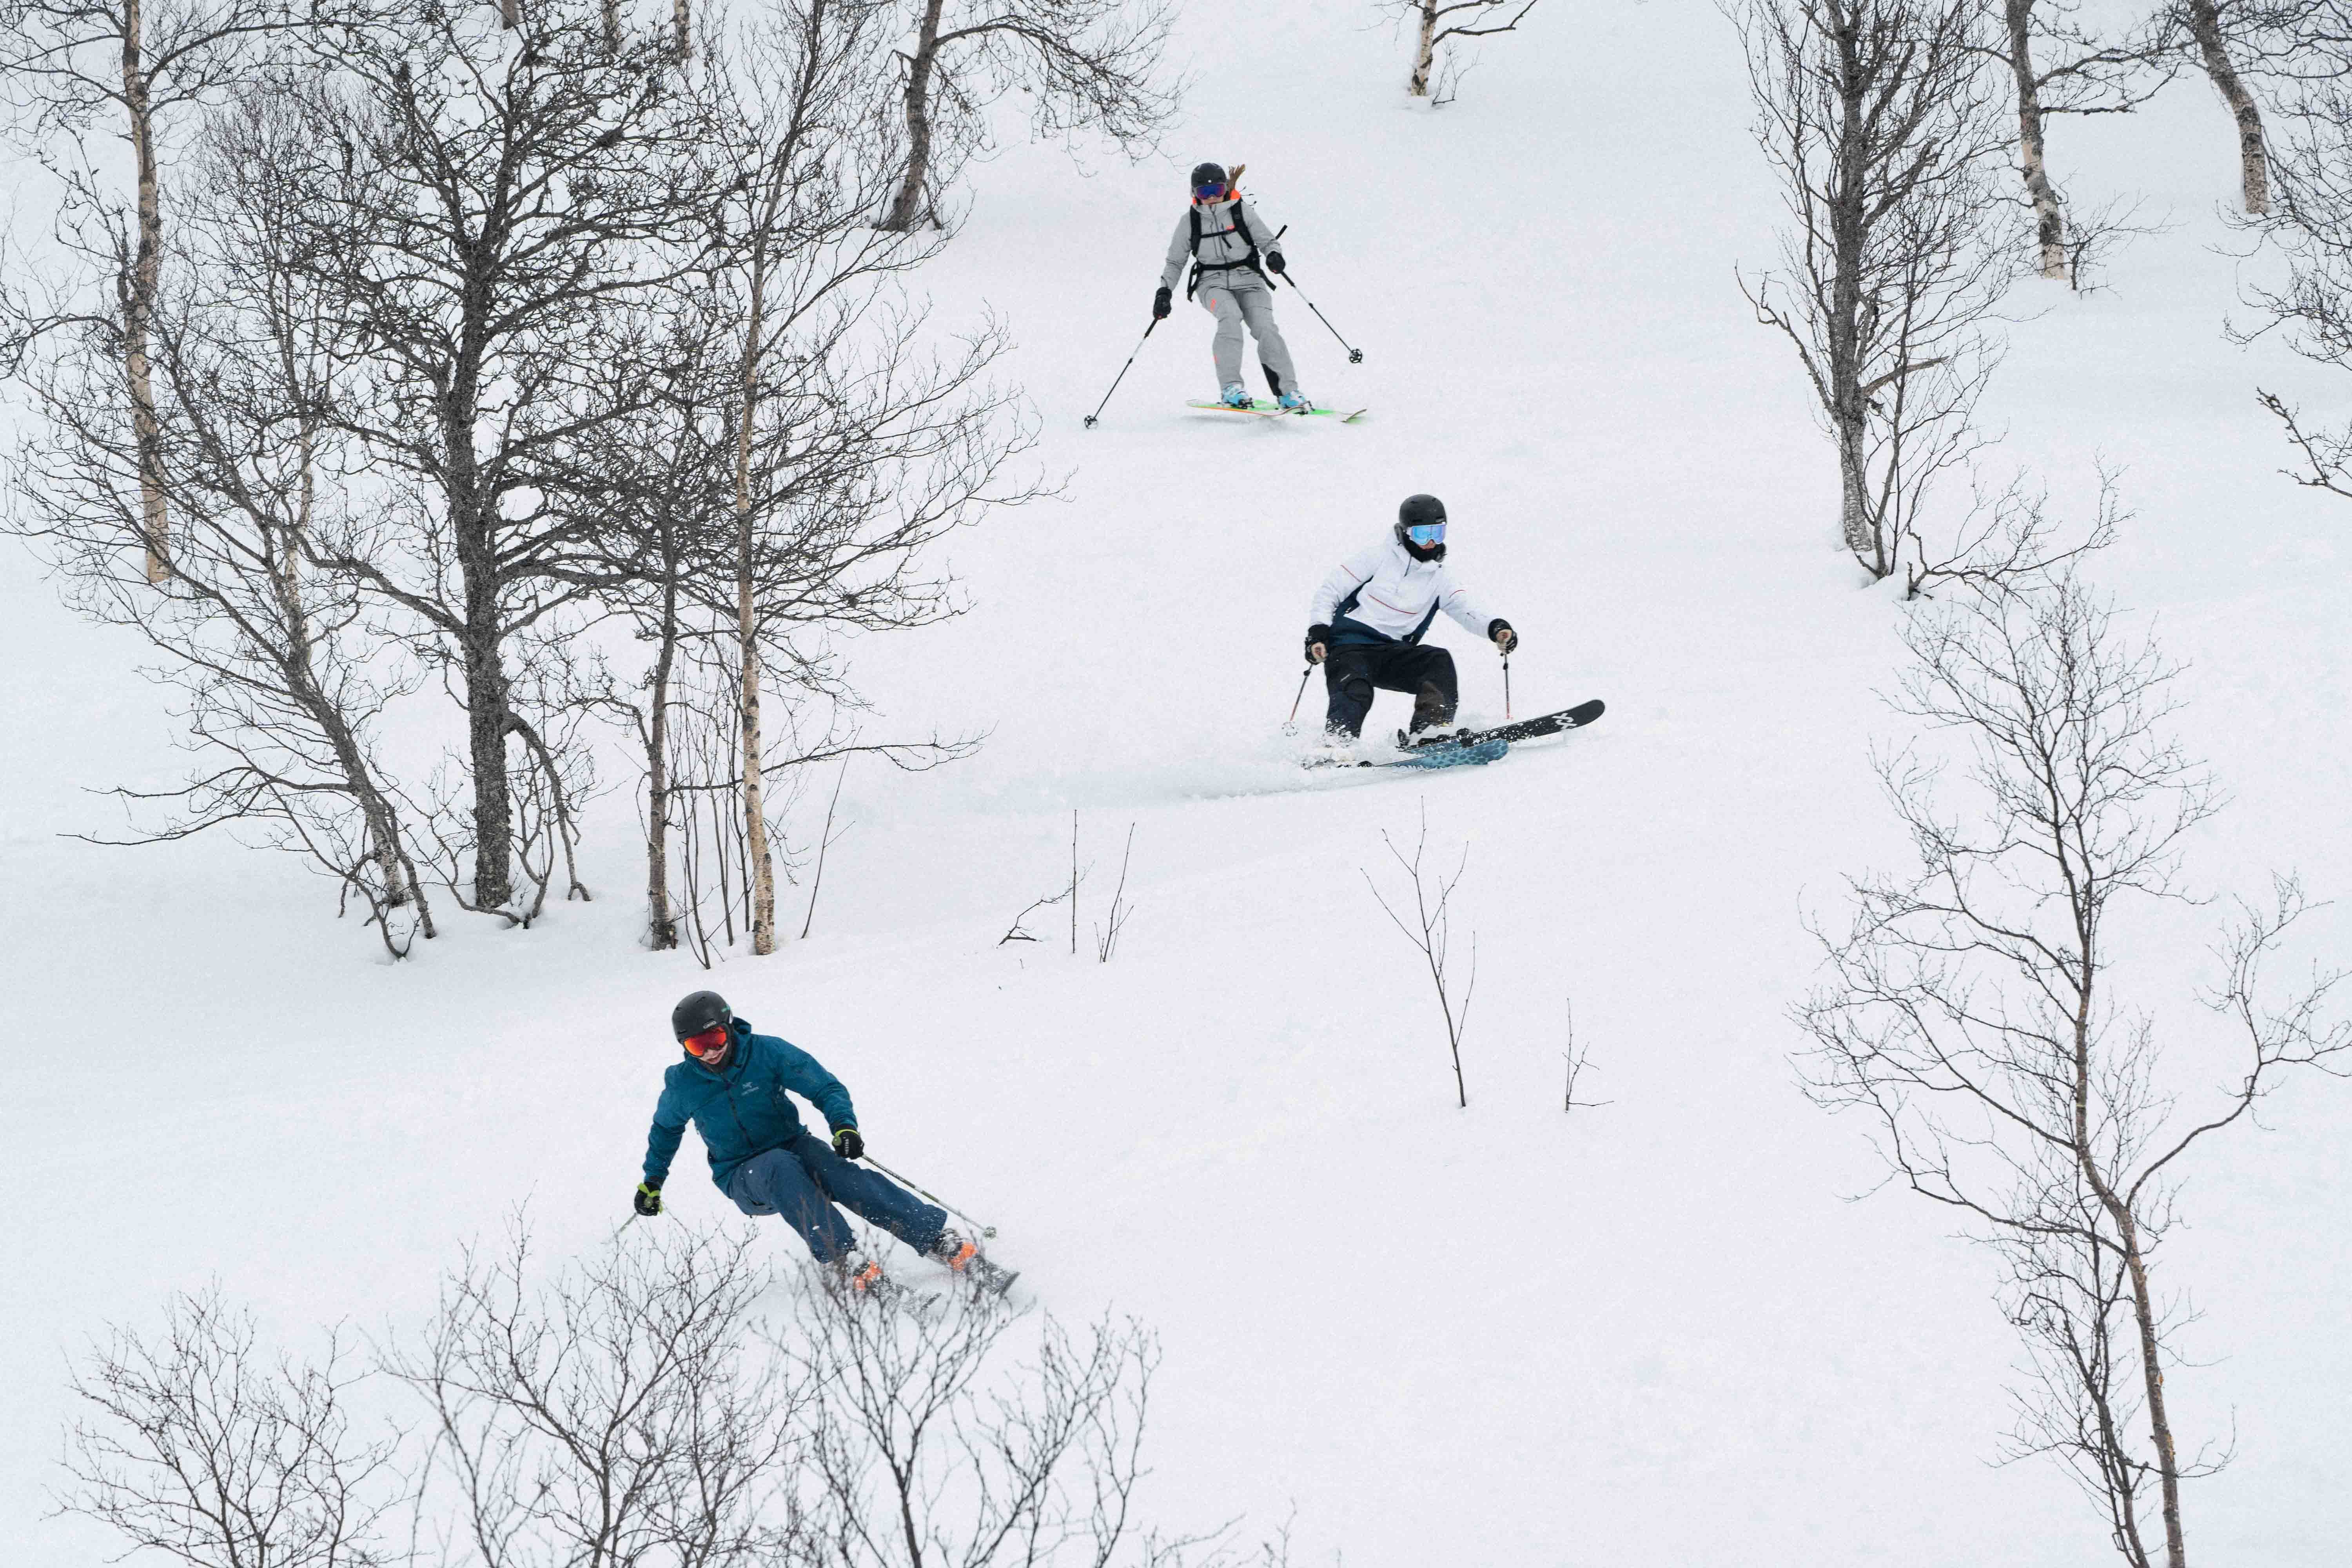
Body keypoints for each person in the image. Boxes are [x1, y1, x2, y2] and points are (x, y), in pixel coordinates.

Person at [633, 989, 1006, 1296]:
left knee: (843, 1176)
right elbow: (666, 1130)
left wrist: (845, 1128)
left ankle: (937, 1239)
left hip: (794, 1144)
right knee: (778, 1166)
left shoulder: (767, 1053)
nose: (710, 1052)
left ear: (729, 1029)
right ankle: (845, 1259)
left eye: (714, 1039)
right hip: (741, 1173)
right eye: (697, 1046)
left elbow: (824, 1086)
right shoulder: (683, 1083)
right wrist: (653, 1182)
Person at [1305, 494, 1518, 743]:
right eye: (1421, 534)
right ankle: (1337, 746)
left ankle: (1429, 731)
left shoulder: (1440, 578)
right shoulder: (1376, 558)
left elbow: (1466, 608)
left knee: (1437, 661)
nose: (1429, 543)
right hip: (1349, 647)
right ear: (1406, 533)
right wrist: (1318, 632)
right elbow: (1330, 591)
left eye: (1437, 534)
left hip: (1392, 652)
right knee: (1356, 690)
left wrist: (1495, 627)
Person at [1154, 161, 1309, 411]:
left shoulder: (1241, 211)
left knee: (1266, 328)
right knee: (1229, 317)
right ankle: (1231, 389)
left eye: (1217, 190)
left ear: (1225, 189)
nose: (1212, 198)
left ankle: (1288, 393)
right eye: (1205, 193)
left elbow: (1267, 240)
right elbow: (1175, 262)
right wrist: (1164, 292)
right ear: (1195, 194)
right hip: (1211, 284)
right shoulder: (1190, 221)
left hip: (1250, 280)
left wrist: (1273, 255)